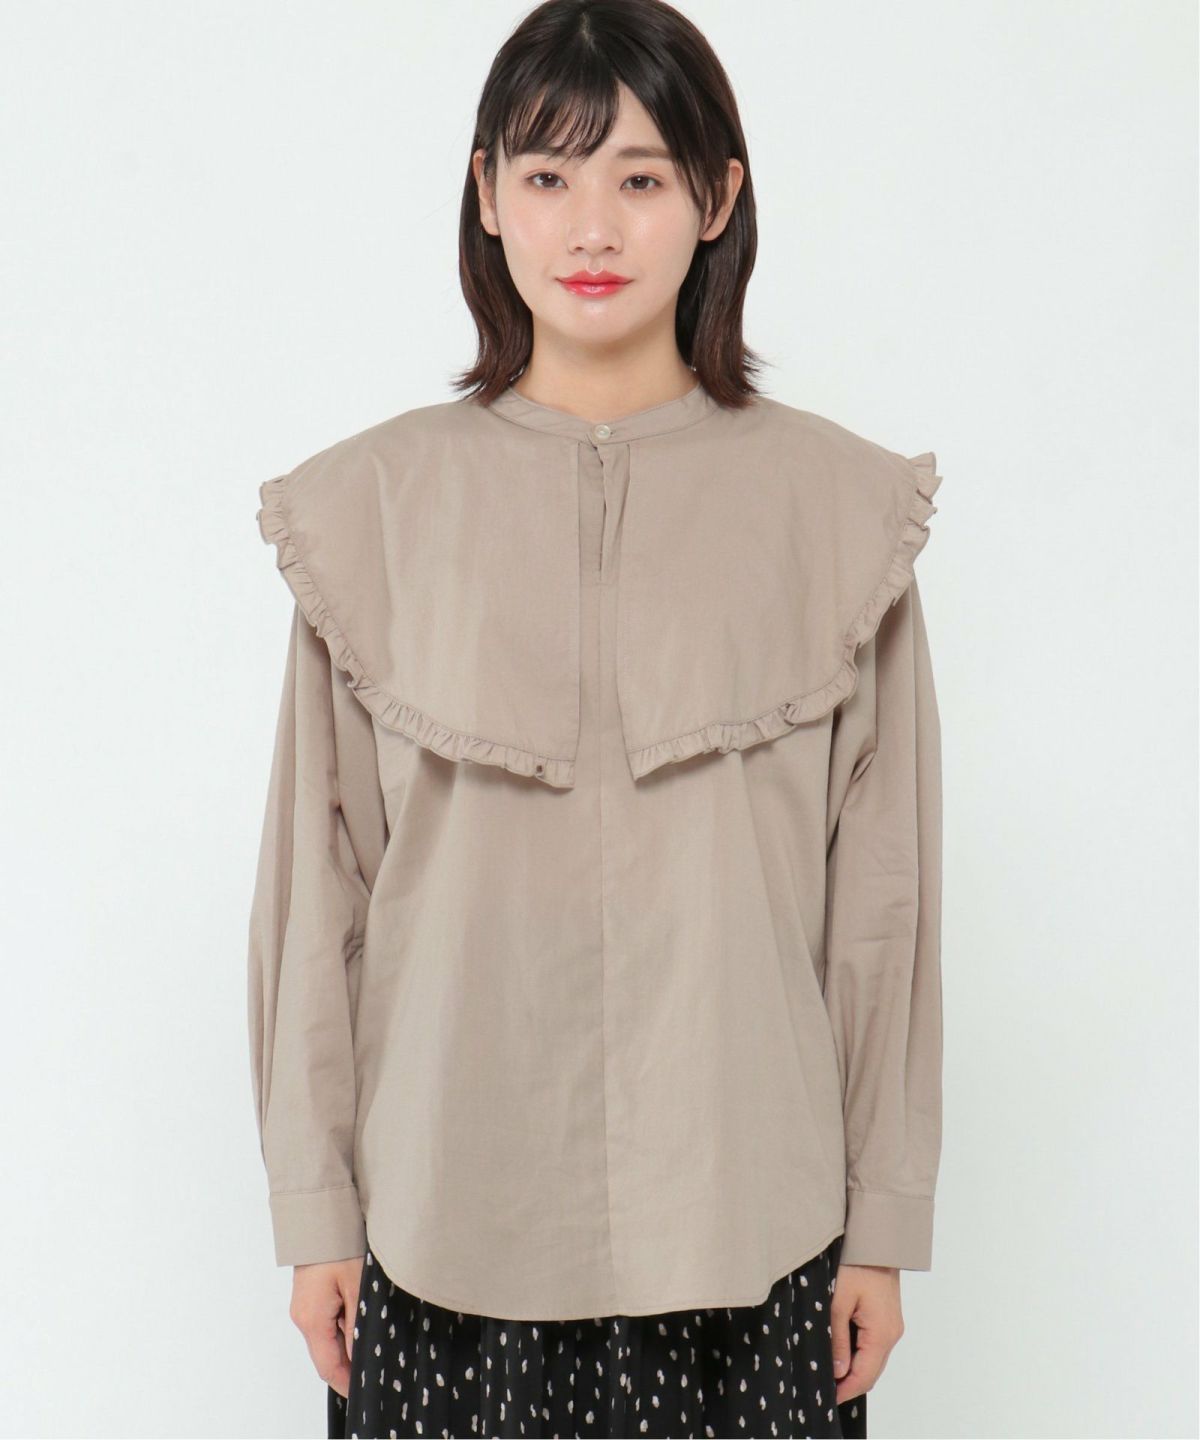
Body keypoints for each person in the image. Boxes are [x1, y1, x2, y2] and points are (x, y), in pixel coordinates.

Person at [246, 2, 945, 1436]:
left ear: (718, 197)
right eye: (550, 174)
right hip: (444, 1234)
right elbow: (321, 895)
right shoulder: (371, 512)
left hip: (755, 1234)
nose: (593, 226)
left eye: (640, 176)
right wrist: (316, 1208)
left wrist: (880, 1221)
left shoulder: (836, 513)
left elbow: (881, 904)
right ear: (488, 194)